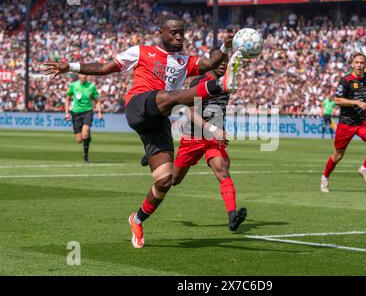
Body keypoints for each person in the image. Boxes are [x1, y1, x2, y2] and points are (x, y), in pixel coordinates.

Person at [43, 14, 243, 248]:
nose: (179, 37)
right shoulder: (141, 52)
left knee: (165, 181)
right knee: (169, 97)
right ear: (161, 33)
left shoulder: (184, 61)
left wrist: (224, 46)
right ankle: (220, 86)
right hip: (138, 106)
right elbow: (106, 67)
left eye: (182, 32)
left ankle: (136, 220)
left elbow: (209, 64)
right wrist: (70, 67)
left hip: (158, 120)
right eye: (174, 33)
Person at [172, 46, 247, 232]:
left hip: (214, 139)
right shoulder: (198, 82)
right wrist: (213, 129)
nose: (222, 65)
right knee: (173, 180)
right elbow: (190, 113)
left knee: (222, 170)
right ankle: (152, 157)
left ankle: (232, 216)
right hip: (193, 136)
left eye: (225, 61)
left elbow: (233, 72)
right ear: (211, 61)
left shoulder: (226, 82)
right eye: (219, 61)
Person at [320, 53, 366, 193]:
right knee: (338, 155)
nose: (359, 65)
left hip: (361, 122)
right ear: (352, 64)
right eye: (357, 62)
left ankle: (364, 168)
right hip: (346, 123)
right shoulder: (346, 81)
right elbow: (337, 100)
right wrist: (356, 102)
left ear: (365, 64)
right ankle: (325, 178)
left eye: (362, 62)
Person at [65, 74, 102, 162]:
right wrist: (67, 113)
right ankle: (88, 138)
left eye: (86, 74)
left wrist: (99, 112)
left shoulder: (91, 86)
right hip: (76, 113)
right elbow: (67, 99)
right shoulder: (73, 85)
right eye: (83, 74)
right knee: (79, 140)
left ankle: (85, 155)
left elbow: (97, 101)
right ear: (79, 75)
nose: (85, 76)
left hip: (88, 111)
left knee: (84, 133)